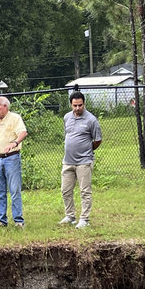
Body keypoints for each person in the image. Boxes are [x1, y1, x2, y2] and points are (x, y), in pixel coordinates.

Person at [59, 91, 102, 229]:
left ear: (84, 104)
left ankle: (84, 219)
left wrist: (87, 151)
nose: (77, 108)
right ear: (71, 104)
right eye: (75, 105)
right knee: (65, 190)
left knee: (85, 191)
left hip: (84, 161)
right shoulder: (67, 117)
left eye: (80, 105)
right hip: (68, 161)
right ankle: (70, 216)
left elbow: (98, 140)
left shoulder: (91, 120)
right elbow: (67, 135)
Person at [0, 96, 27, 228]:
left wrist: (14, 143)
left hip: (11, 158)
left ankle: (18, 220)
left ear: (5, 106)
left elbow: (23, 132)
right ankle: (1, 220)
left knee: (14, 190)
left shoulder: (15, 118)